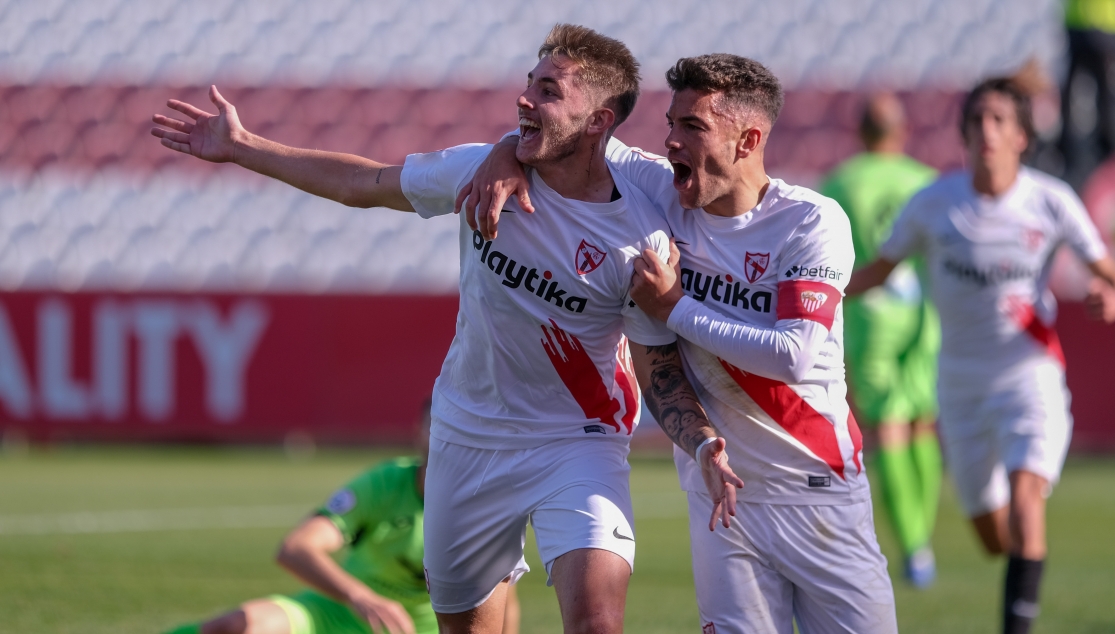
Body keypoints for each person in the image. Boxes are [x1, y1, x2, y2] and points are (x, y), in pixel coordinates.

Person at [151, 24, 742, 634]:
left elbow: (658, 361)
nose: (524, 101)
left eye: (547, 91)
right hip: (466, 436)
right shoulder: (479, 171)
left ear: (597, 120)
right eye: (528, 85)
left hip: (578, 440)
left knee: (596, 623)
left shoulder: (645, 221)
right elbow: (365, 183)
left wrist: (699, 438)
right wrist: (243, 146)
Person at [461, 54, 897, 634]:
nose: (669, 141)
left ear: (749, 139)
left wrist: (676, 309)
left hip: (818, 492)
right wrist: (501, 152)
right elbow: (565, 132)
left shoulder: (809, 223)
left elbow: (792, 354)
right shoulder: (661, 194)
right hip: (722, 501)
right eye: (670, 123)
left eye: (691, 127)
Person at [848, 77, 1115, 634]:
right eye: (977, 120)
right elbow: (879, 271)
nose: (986, 130)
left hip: (1030, 375)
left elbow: (1105, 272)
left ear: (1021, 135)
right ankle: (1021, 559)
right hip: (960, 386)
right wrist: (806, 295)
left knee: (1026, 500)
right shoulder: (934, 203)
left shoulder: (1051, 200)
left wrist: (1107, 297)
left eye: (999, 120)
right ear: (965, 134)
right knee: (996, 539)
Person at [161, 401, 520, 634]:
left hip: (422, 629)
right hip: (338, 613)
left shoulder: (484, 504)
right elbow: (296, 547)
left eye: (452, 430)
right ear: (417, 431)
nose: (441, 438)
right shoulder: (386, 482)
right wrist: (359, 597)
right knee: (241, 626)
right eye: (434, 426)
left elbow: (504, 601)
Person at [819, 93, 942, 587]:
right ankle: (924, 534)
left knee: (886, 425)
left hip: (867, 312)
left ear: (861, 132)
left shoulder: (840, 181)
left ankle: (913, 547)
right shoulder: (925, 181)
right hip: (921, 312)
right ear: (902, 131)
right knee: (922, 422)